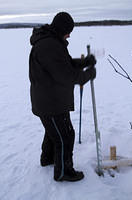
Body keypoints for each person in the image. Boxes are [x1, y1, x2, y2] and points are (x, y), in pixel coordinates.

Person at [29, 12, 96, 182]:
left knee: (55, 132)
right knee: (65, 136)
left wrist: (84, 62)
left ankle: (48, 159)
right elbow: (66, 76)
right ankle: (63, 172)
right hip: (51, 102)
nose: (69, 35)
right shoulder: (49, 46)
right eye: (68, 31)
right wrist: (87, 75)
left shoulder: (52, 42)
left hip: (51, 100)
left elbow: (64, 64)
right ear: (61, 29)